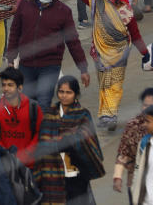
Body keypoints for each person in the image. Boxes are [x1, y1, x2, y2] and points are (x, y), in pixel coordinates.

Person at [8, 0, 89, 110]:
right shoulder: (25, 5)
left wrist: (83, 69)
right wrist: (10, 59)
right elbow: (15, 32)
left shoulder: (63, 11)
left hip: (50, 66)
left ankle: (42, 129)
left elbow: (73, 41)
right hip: (26, 64)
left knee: (44, 102)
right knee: (26, 103)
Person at [85, 0, 149, 131]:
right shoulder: (97, 2)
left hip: (120, 52)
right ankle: (105, 115)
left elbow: (134, 33)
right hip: (100, 51)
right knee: (104, 84)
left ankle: (111, 115)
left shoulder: (124, 8)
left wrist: (145, 53)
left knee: (115, 85)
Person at [32, 76, 105, 205]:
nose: (64, 96)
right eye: (61, 92)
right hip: (52, 174)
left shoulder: (83, 114)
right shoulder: (50, 114)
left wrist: (64, 139)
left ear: (76, 94)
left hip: (76, 174)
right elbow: (43, 143)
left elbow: (86, 138)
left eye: (68, 92)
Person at [112, 88, 153, 193]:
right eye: (145, 105)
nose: (147, 109)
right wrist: (117, 177)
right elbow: (123, 153)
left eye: (151, 106)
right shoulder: (133, 125)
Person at [0, 66, 42, 168]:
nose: (6, 89)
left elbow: (39, 134)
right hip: (5, 163)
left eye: (10, 85)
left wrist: (26, 153)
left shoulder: (33, 107)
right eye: (4, 85)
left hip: (28, 164)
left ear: (20, 88)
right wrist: (4, 153)